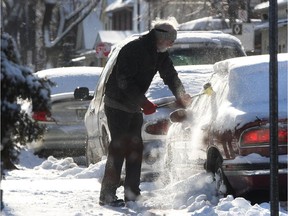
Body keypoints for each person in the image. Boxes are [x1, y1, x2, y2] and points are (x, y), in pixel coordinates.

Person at [99, 18, 192, 207]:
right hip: (116, 104)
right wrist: (144, 102)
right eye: (170, 39)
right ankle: (107, 194)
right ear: (160, 36)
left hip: (133, 106)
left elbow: (170, 76)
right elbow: (124, 81)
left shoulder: (160, 53)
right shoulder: (134, 49)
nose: (172, 43)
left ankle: (132, 193)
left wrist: (181, 95)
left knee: (135, 149)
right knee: (119, 148)